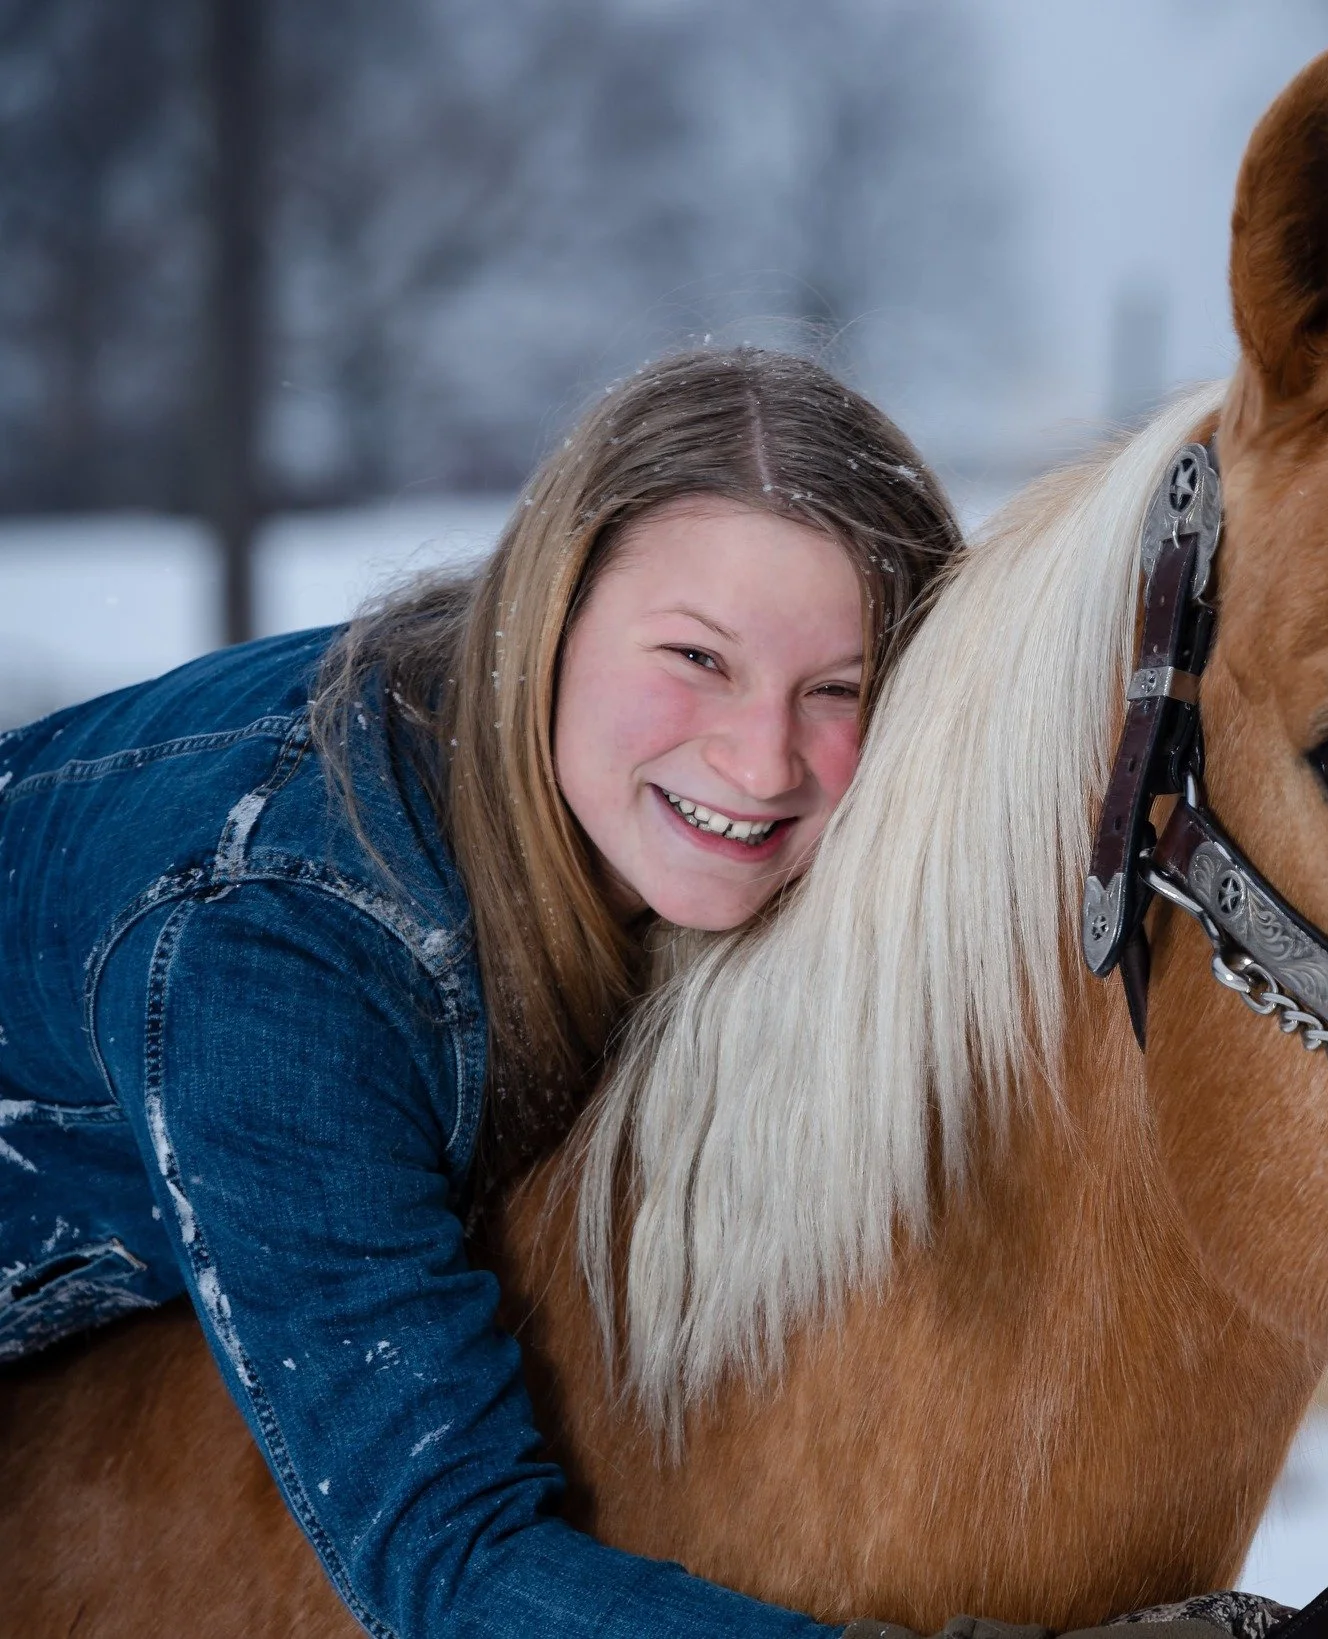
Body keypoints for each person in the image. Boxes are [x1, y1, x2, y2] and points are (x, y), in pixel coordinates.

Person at [0, 347, 964, 1637]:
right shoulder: (288, 943)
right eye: (697, 656)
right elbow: (443, 1565)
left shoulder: (595, 794)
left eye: (838, 689)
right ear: (548, 612)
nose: (761, 755)